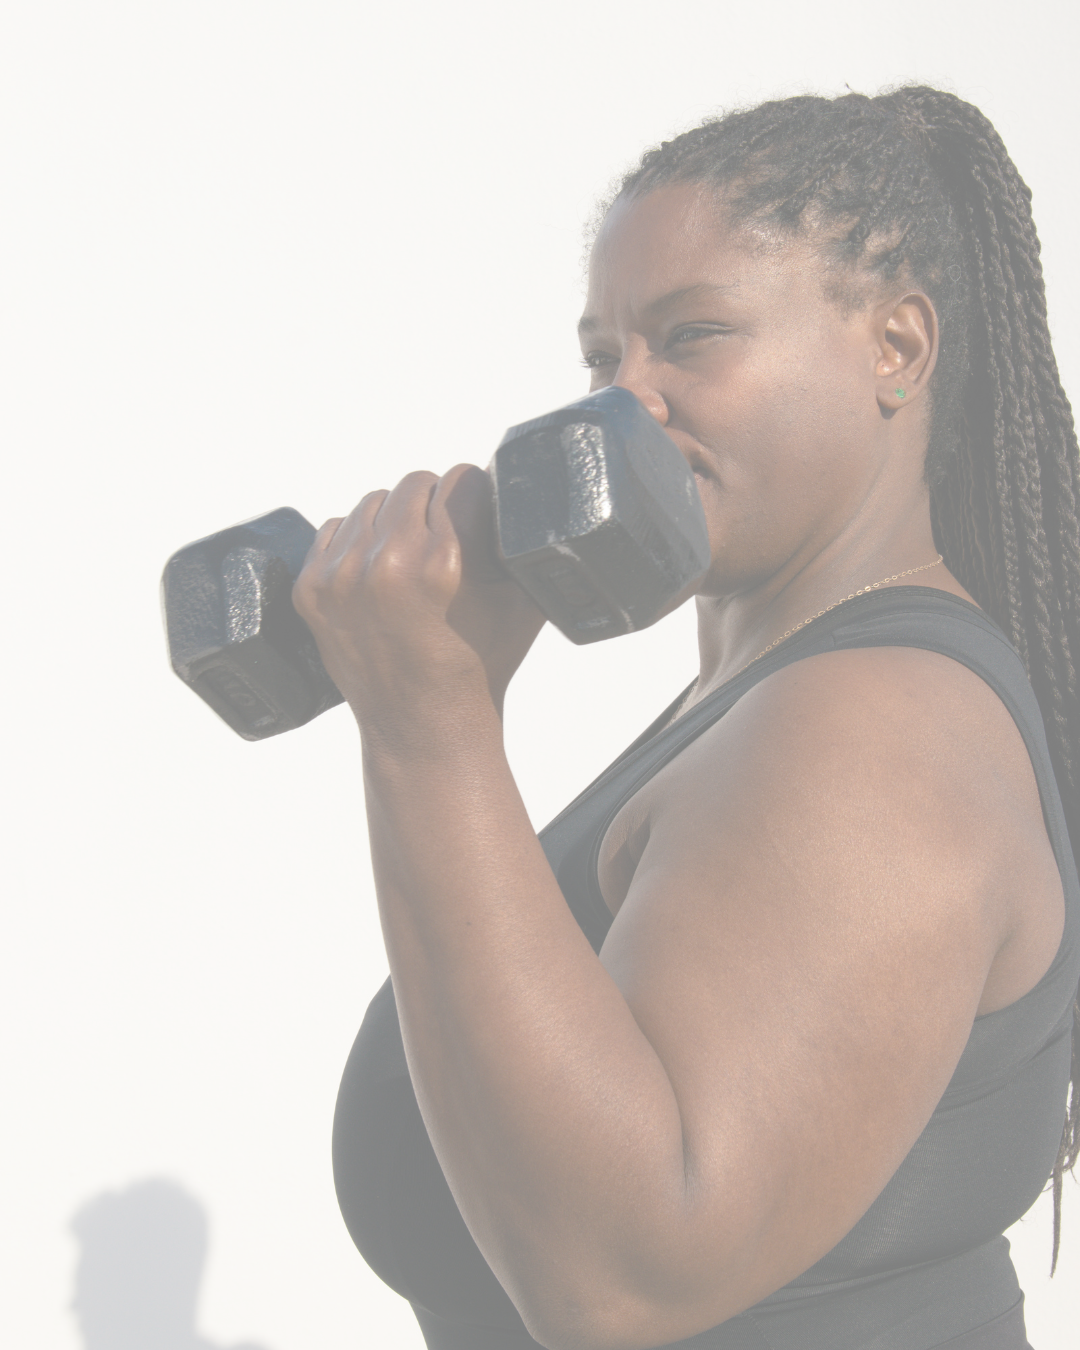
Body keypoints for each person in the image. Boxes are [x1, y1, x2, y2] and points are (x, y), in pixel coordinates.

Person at [293, 87, 1080, 1350]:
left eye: (692, 337)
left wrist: (428, 724)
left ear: (897, 349)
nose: (622, 405)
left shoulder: (875, 732)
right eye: (604, 358)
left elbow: (622, 1286)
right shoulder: (764, 696)